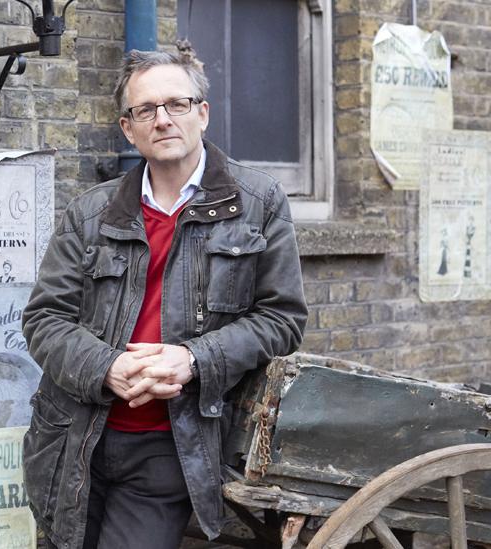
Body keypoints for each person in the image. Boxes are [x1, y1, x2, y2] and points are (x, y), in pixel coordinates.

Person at [21, 46, 307, 549]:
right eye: (145, 110)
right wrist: (106, 366)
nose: (162, 119)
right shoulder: (90, 213)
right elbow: (46, 318)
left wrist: (194, 358)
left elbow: (281, 319)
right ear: (128, 128)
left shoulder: (258, 203)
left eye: (177, 104)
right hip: (74, 438)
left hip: (171, 445)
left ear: (202, 113)